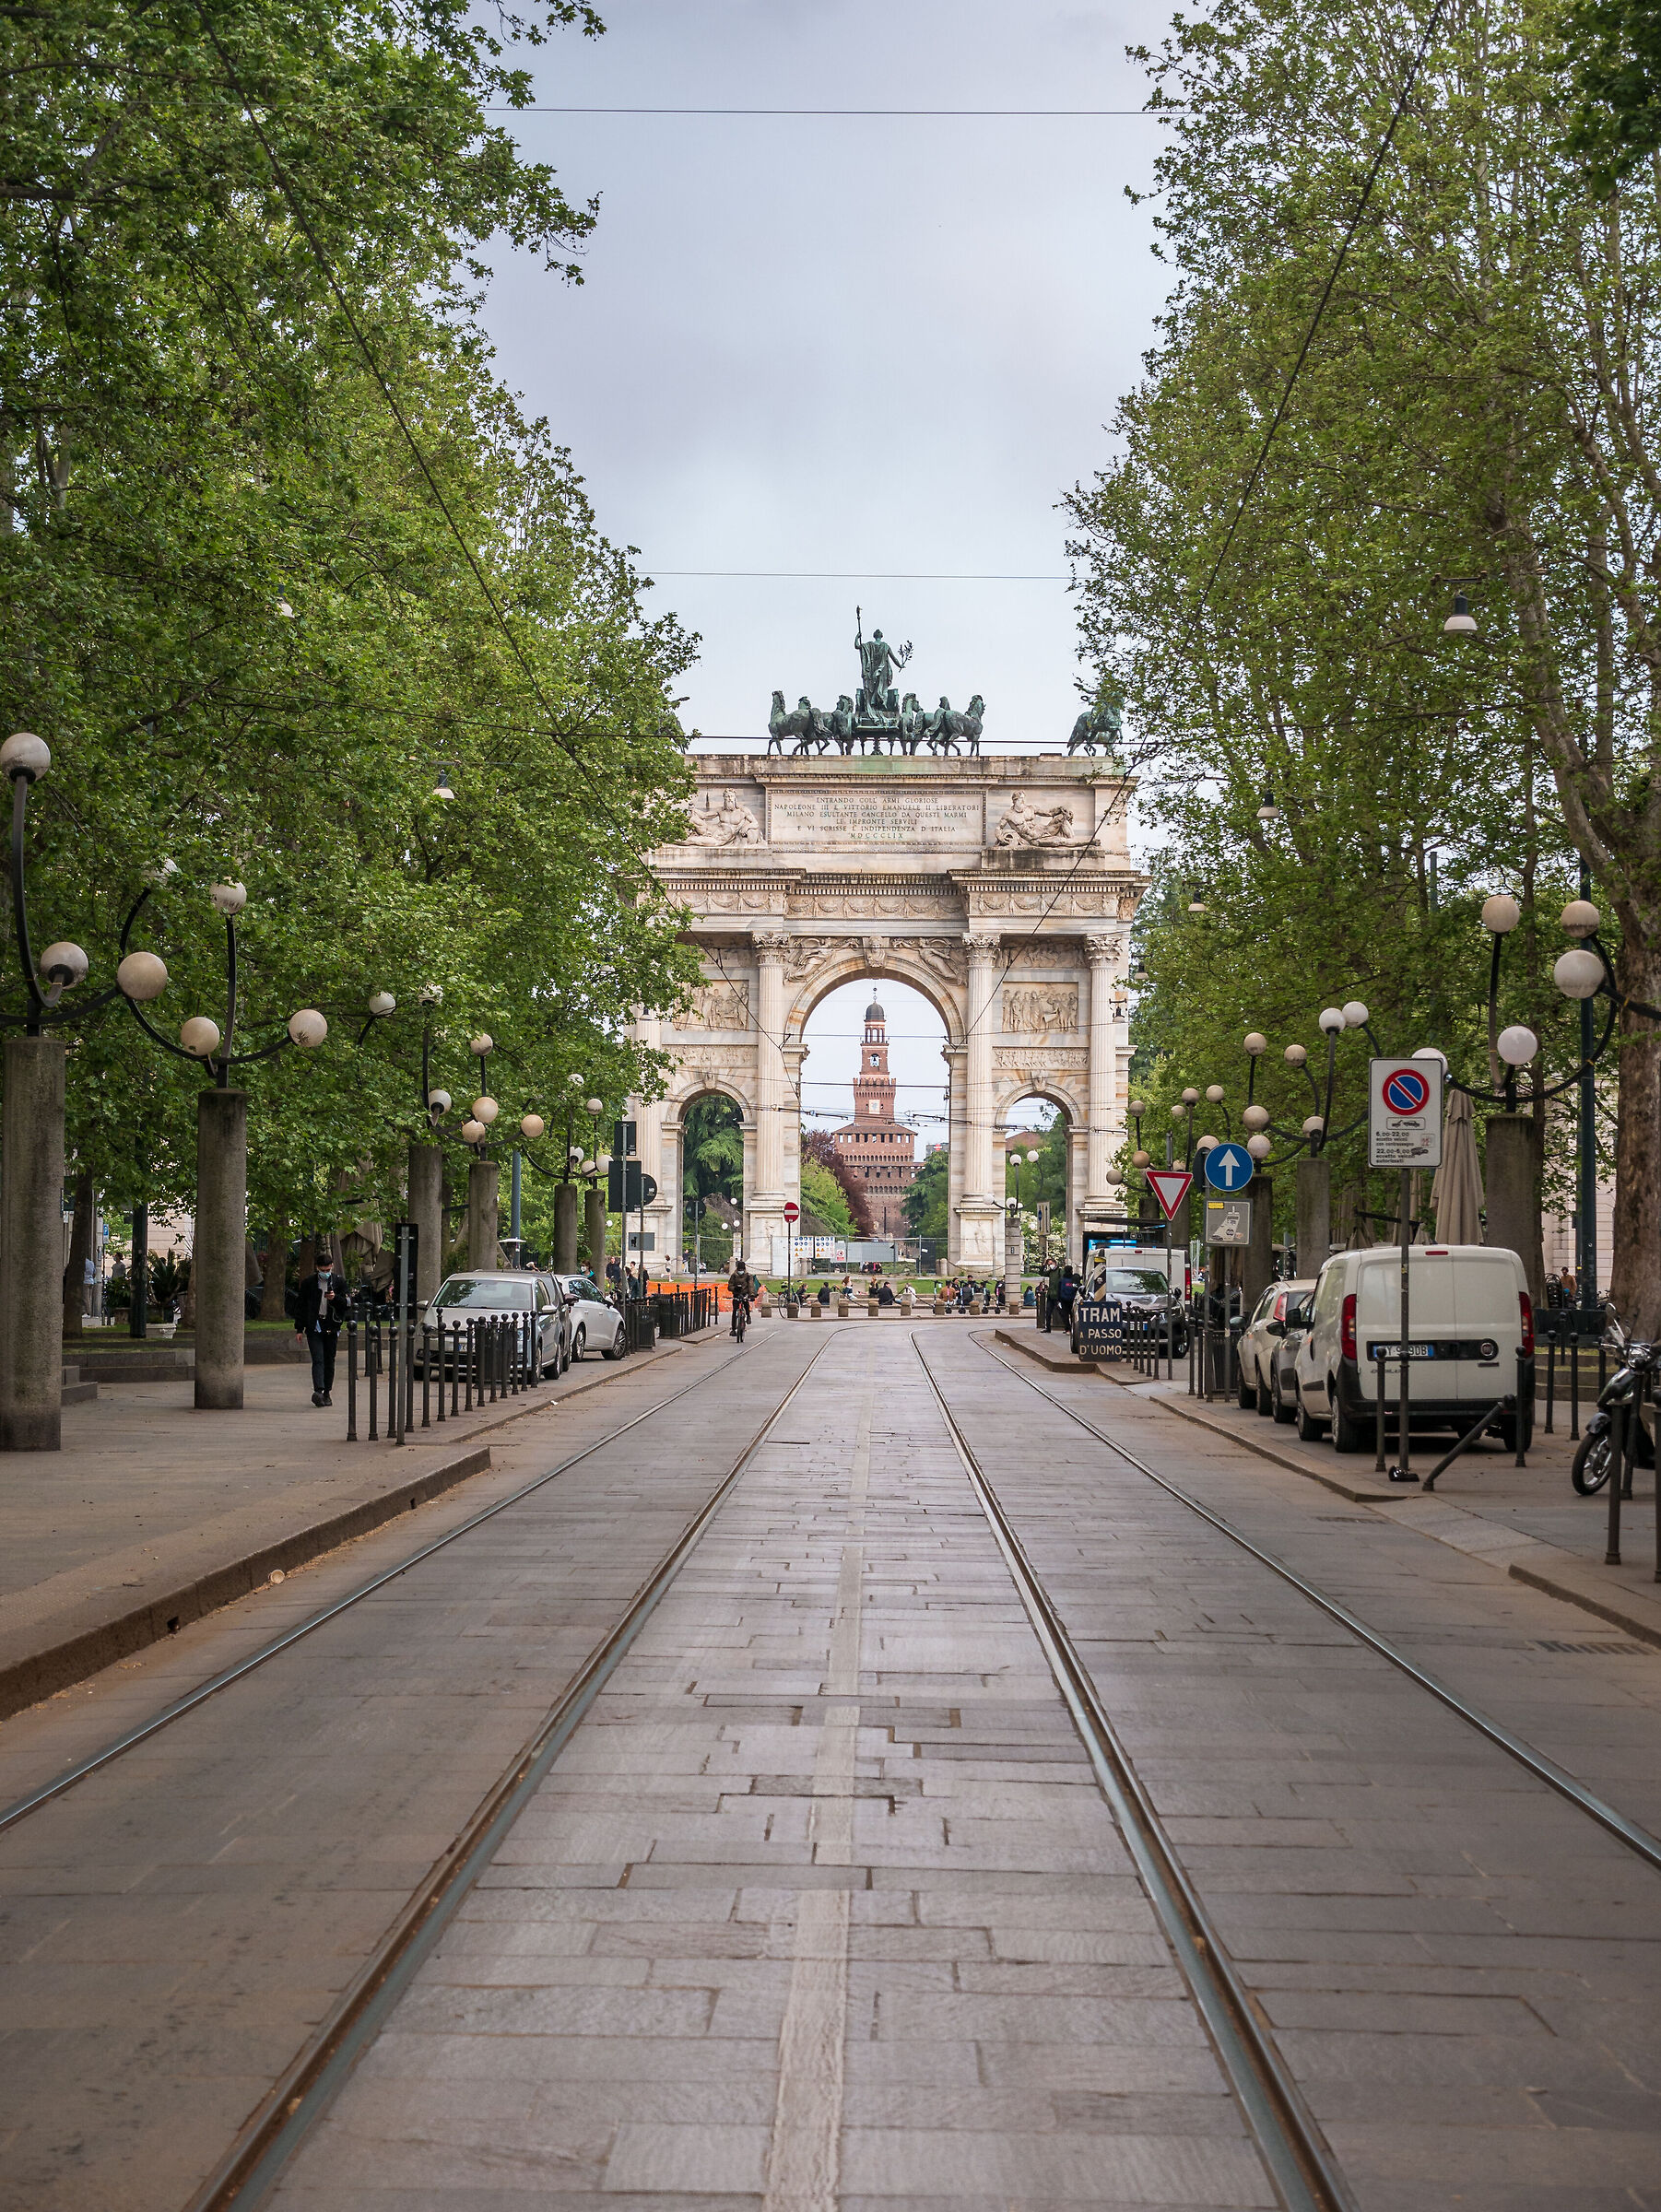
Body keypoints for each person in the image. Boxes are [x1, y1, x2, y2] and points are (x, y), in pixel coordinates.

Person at [294, 1247, 351, 1406]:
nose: (325, 1272)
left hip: (332, 1326)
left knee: (329, 1360)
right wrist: (299, 1328)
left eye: (328, 1270)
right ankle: (318, 1390)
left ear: (332, 1266)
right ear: (317, 1268)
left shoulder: (338, 1282)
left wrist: (335, 1298)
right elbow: (301, 1306)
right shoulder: (309, 1283)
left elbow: (347, 1304)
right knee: (318, 1359)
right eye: (322, 1270)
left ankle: (327, 1392)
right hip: (315, 1325)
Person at [727, 1260, 754, 1337]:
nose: (740, 1271)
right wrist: (734, 1288)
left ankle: (748, 1316)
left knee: (746, 1304)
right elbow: (730, 1286)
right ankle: (733, 1329)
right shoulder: (734, 1275)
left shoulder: (748, 1276)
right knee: (735, 1311)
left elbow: (751, 1286)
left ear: (744, 1269)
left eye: (742, 1270)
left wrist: (751, 1295)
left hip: (745, 1294)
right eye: (739, 1269)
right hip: (736, 1294)